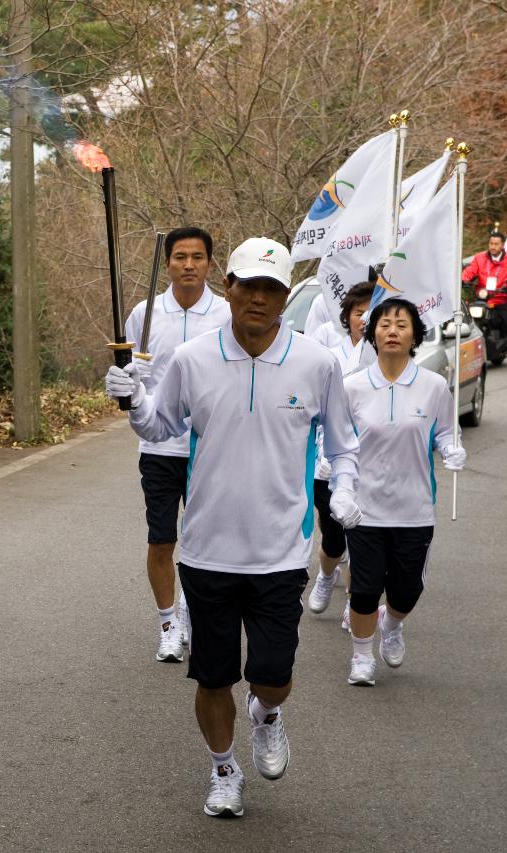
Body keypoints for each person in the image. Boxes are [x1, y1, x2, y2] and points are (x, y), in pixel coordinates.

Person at [106, 237, 362, 819]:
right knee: (213, 676)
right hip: (205, 551)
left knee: (272, 676)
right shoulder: (195, 358)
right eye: (249, 286)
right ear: (230, 289)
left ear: (283, 296)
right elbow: (159, 426)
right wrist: (133, 399)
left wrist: (344, 489)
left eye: (272, 289)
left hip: (279, 553)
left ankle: (268, 716)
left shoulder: (315, 364)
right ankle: (223, 770)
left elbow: (344, 446)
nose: (260, 299)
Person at [340, 297, 466, 687]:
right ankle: (362, 656)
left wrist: (450, 448)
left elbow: (446, 429)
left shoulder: (432, 385)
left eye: (402, 325)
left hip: (414, 508)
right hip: (365, 507)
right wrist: (329, 468)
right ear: (372, 333)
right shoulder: (353, 387)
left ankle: (391, 625)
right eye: (384, 324)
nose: (392, 331)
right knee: (364, 589)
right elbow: (337, 436)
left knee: (407, 589)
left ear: (414, 336)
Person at [122, 226, 231, 663]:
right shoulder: (145, 314)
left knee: (205, 542)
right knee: (162, 541)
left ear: (210, 263)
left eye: (198, 257)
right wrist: (128, 390)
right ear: (167, 263)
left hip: (212, 448)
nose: (188, 265)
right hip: (161, 449)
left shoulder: (226, 314)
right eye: (180, 257)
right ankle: (168, 622)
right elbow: (132, 381)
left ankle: (191, 607)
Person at [306, 282, 377, 620]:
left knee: (360, 540)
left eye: (370, 312)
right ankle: (325, 574)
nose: (364, 318)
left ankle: (355, 604)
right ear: (347, 316)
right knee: (333, 537)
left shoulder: (383, 350)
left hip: (369, 457)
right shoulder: (326, 342)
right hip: (327, 456)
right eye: (358, 312)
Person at [462, 229, 507, 368]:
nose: (493, 247)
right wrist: (464, 279)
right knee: (464, 321)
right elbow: (470, 271)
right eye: (491, 243)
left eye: (496, 244)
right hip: (482, 300)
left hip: (501, 300)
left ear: (502, 245)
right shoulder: (479, 258)